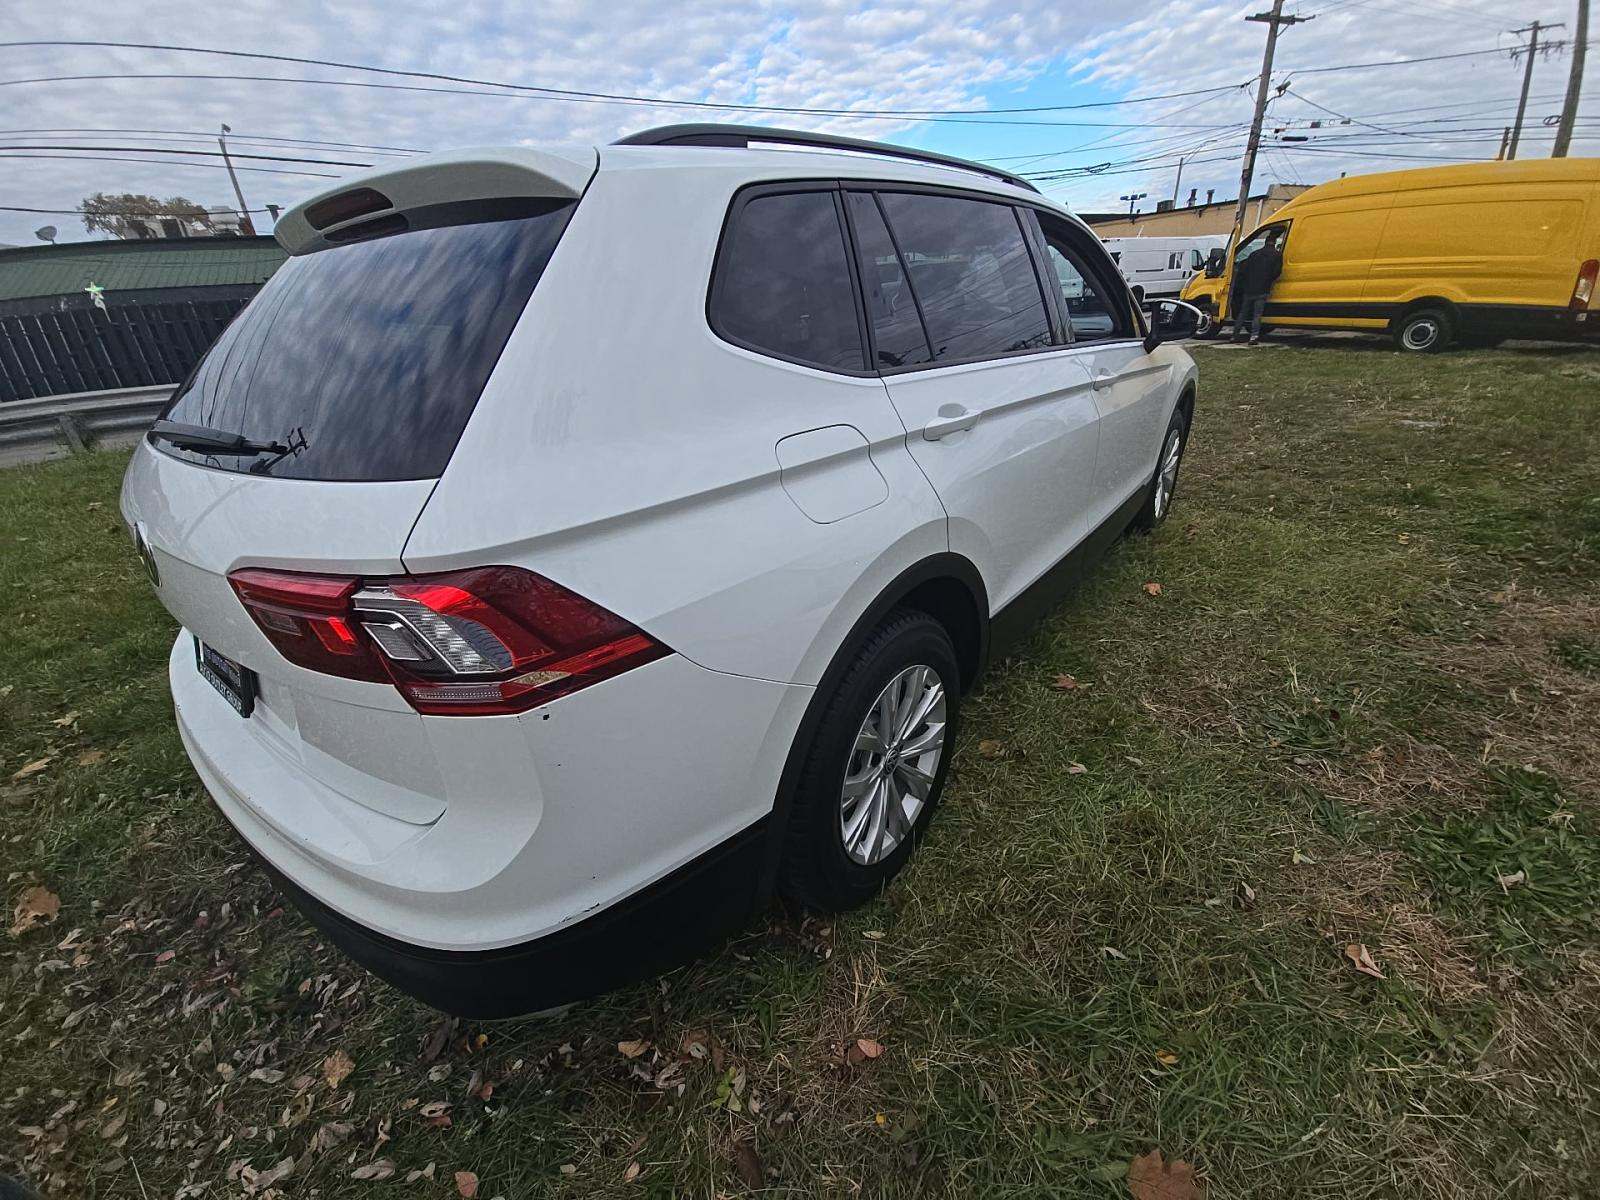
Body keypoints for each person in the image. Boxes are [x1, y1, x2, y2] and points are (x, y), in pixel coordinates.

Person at [1231, 230, 1283, 345]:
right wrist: (1269, 281)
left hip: (1249, 289)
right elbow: (1277, 272)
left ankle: (1234, 335)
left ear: (1265, 242)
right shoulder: (1277, 255)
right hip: (1263, 289)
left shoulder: (1254, 254)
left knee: (1243, 313)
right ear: (1274, 243)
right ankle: (1253, 337)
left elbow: (1244, 269)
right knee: (1257, 314)